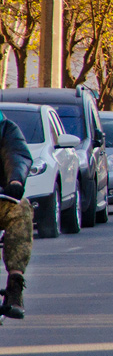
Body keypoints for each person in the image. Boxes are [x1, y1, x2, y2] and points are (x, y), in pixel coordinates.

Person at [0, 111, 33, 319]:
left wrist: (15, 180)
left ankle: (14, 286)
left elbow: (16, 155)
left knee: (21, 210)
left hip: (1, 199)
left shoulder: (6, 129)